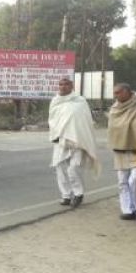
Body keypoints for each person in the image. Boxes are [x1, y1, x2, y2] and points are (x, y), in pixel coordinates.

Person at [49, 77, 100, 208]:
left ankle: (78, 193)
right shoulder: (55, 101)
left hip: (77, 140)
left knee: (73, 168)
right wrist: (55, 134)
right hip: (60, 140)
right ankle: (66, 195)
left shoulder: (80, 101)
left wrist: (82, 136)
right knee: (60, 168)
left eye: (66, 84)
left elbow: (85, 121)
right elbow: (53, 120)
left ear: (72, 86)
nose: (63, 87)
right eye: (61, 84)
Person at [107, 83, 136, 221]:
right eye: (115, 93)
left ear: (127, 92)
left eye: (118, 92)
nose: (115, 95)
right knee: (122, 182)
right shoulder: (114, 108)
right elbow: (113, 129)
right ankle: (127, 210)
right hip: (120, 150)